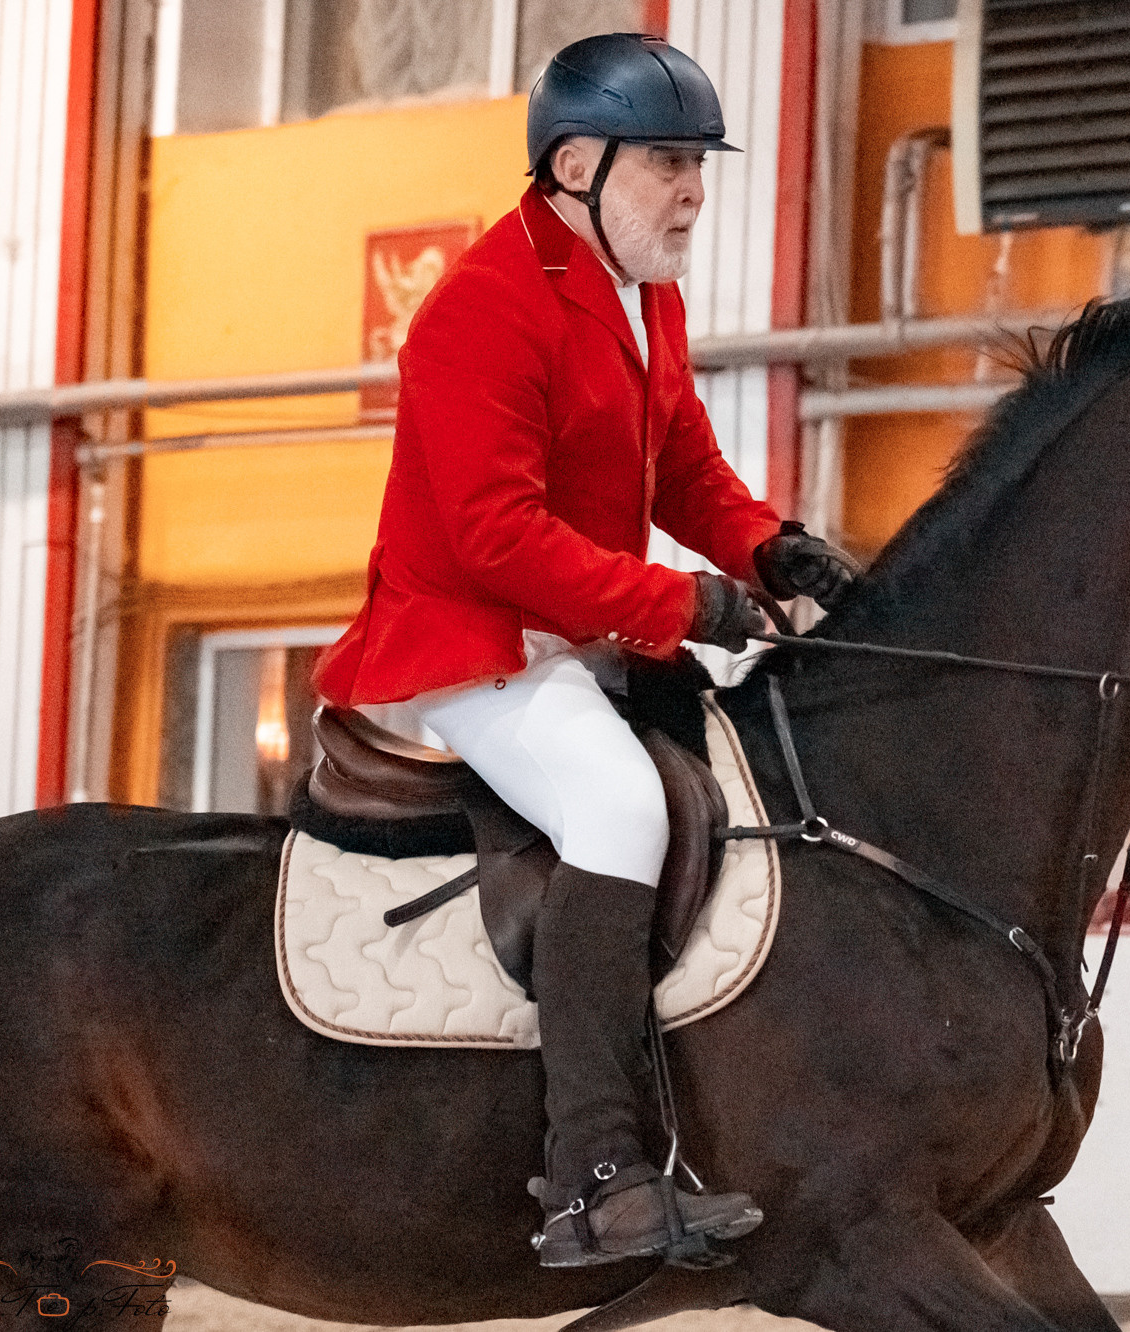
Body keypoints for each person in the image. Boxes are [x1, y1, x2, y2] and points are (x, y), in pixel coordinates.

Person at [311, 32, 856, 1267]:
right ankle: (594, 1174)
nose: (694, 191)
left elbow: (687, 471)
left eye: (699, 164)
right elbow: (493, 536)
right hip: (475, 642)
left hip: (580, 631)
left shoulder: (640, 293)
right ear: (574, 164)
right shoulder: (480, 307)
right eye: (668, 162)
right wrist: (679, 604)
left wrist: (770, 548)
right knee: (619, 807)